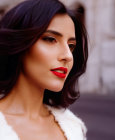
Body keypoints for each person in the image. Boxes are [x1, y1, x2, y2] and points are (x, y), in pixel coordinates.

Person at [0, 0, 88, 139]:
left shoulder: (72, 127)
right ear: (19, 43)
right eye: (50, 39)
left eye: (71, 46)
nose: (68, 55)